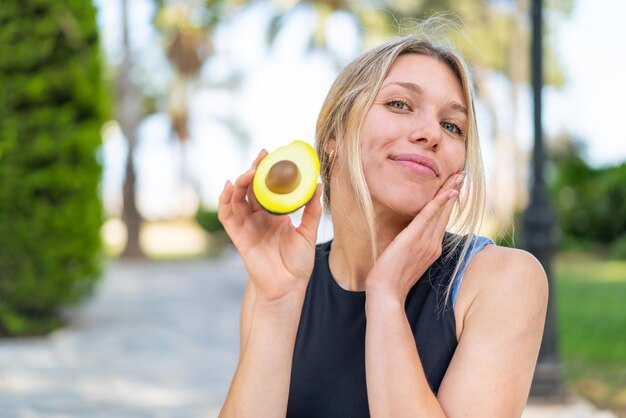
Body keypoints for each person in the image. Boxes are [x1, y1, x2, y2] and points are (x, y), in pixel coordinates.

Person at [217, 33, 548, 418]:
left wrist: (387, 297)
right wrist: (276, 303)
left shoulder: (503, 280)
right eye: (399, 104)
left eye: (453, 126)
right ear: (334, 135)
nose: (431, 133)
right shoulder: (276, 285)